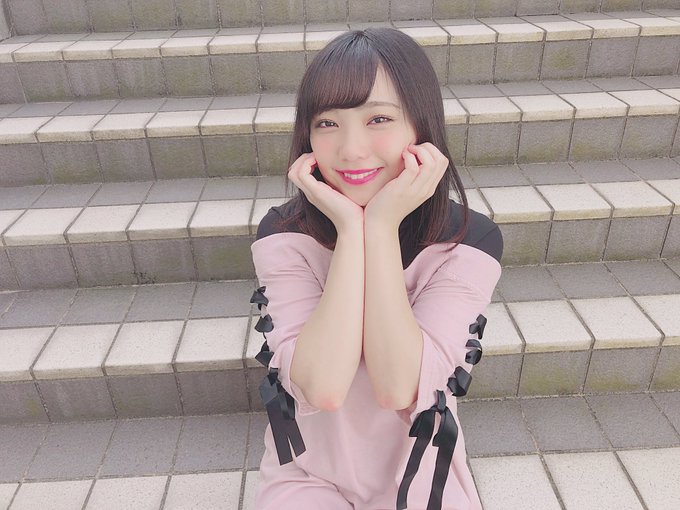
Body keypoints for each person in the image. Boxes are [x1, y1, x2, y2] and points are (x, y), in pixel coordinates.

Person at [249, 27, 503, 510]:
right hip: (308, 469)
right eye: (327, 123)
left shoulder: (469, 239)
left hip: (420, 465)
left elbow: (399, 388)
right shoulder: (284, 233)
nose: (351, 150)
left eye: (379, 118)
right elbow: (322, 388)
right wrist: (350, 230)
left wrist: (381, 227)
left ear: (421, 127)